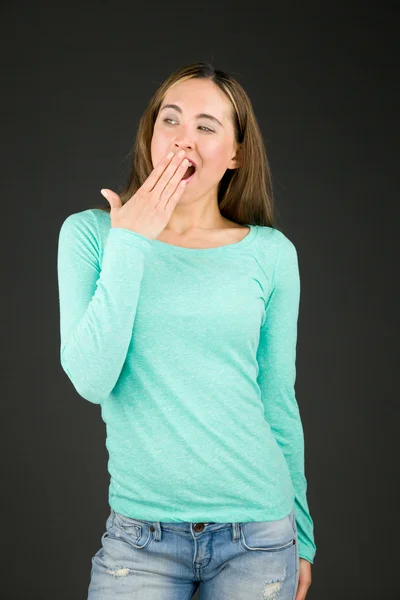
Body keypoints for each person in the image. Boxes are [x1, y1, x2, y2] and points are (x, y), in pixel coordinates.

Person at [57, 61, 316, 600]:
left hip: (260, 535)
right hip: (139, 539)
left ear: (236, 153)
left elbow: (276, 400)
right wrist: (130, 242)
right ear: (152, 136)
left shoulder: (270, 254)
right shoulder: (91, 235)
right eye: (169, 120)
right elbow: (90, 378)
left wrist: (304, 540)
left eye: (206, 126)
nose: (183, 139)